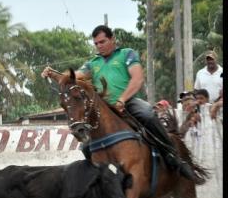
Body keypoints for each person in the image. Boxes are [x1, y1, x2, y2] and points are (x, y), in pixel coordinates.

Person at [41, 24, 195, 181]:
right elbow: (73, 76)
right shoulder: (93, 63)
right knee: (86, 146)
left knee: (148, 114)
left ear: (112, 39)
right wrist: (53, 74)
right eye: (96, 43)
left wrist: (122, 99)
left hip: (128, 102)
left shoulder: (126, 54)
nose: (99, 46)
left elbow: (138, 78)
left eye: (102, 42)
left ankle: (173, 157)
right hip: (103, 109)